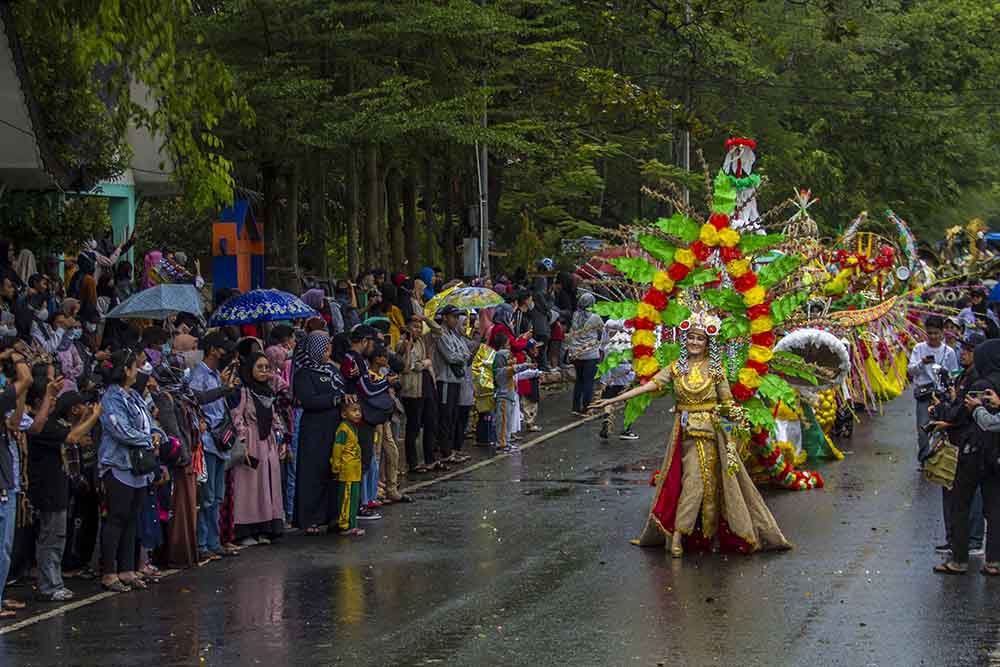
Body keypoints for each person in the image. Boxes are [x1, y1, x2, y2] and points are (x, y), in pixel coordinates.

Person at [592, 309, 791, 557]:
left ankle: (709, 535)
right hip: (686, 437)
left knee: (715, 486)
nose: (695, 342)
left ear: (708, 343)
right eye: (691, 338)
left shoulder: (716, 370)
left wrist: (742, 421)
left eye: (700, 338)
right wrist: (614, 400)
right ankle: (678, 535)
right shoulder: (677, 368)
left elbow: (728, 402)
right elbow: (650, 385)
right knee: (693, 484)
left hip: (713, 437)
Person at [29, 391, 101, 601]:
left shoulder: (56, 424)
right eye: (50, 397)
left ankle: (54, 582)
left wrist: (85, 418)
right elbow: (72, 437)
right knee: (51, 539)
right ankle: (49, 586)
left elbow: (72, 432)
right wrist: (94, 417)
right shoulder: (45, 426)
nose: (53, 401)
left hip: (58, 489)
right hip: (48, 490)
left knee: (57, 537)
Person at [936, 339, 1000, 575]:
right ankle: (994, 562)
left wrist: (942, 411)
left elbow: (960, 414)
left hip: (973, 452)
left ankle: (959, 559)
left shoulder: (981, 385)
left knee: (960, 504)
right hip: (996, 455)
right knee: (995, 508)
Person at [98, 348, 156, 592]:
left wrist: (157, 434)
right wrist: (147, 439)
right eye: (135, 366)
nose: (139, 370)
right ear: (125, 370)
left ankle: (127, 569)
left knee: (132, 518)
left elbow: (149, 422)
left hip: (137, 465)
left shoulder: (133, 395)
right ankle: (109, 572)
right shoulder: (111, 398)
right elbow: (119, 429)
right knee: (116, 518)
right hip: (118, 463)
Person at [927, 331, 986, 559]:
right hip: (957, 440)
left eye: (969, 350)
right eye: (963, 349)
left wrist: (946, 416)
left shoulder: (978, 380)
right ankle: (955, 539)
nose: (963, 353)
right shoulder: (964, 375)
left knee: (971, 494)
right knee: (953, 490)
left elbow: (963, 412)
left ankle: (972, 541)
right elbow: (957, 405)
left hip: (970, 443)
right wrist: (944, 405)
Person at [189, 333, 241, 561]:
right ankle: (202, 544)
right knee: (207, 497)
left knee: (218, 496)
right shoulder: (198, 374)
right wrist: (223, 388)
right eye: (222, 349)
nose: (224, 353)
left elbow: (227, 403)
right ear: (212, 350)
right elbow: (197, 398)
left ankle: (214, 541)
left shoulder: (218, 375)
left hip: (221, 441)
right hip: (207, 441)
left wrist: (230, 386)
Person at [230, 352, 285, 546]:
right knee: (250, 486)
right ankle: (246, 531)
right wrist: (242, 440)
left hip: (268, 442)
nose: (264, 371)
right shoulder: (244, 391)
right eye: (259, 367)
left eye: (266, 367)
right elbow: (237, 416)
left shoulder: (268, 391)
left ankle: (265, 528)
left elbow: (274, 416)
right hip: (252, 442)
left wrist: (281, 437)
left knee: (267, 485)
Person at [292, 329, 343, 534]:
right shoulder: (304, 373)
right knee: (313, 474)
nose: (328, 352)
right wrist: (334, 399)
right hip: (315, 429)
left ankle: (333, 517)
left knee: (333, 472)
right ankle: (309, 519)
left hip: (334, 427)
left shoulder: (331, 370)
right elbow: (308, 400)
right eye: (325, 348)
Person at [0, 347, 33, 618]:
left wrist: (19, 394)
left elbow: (15, 422)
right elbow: (26, 378)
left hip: (6, 479)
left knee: (5, 547)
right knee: (1, 547)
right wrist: (17, 357)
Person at [908, 316, 958, 462]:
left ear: (942, 332)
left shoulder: (949, 352)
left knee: (942, 428)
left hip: (942, 396)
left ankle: (941, 461)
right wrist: (922, 363)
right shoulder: (919, 348)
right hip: (924, 395)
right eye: (930, 333)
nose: (933, 336)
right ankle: (924, 459)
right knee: (923, 429)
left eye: (936, 333)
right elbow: (911, 370)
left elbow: (954, 373)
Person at [397, 314, 439, 473]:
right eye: (415, 327)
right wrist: (423, 363)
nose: (418, 330)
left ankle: (429, 459)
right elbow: (407, 366)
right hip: (412, 390)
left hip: (426, 386)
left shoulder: (422, 340)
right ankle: (413, 463)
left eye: (420, 327)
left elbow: (438, 331)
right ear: (407, 327)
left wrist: (425, 319)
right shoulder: (402, 344)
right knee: (413, 426)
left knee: (430, 423)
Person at [433, 306, 473, 464]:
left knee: (453, 416)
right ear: (445, 317)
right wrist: (462, 356)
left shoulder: (454, 335)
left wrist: (462, 355)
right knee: (445, 416)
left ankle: (451, 450)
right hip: (444, 380)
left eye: (457, 317)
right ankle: (445, 452)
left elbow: (466, 352)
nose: (455, 320)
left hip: (456, 381)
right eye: (453, 317)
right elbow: (450, 356)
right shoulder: (441, 335)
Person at [565, 292, 604, 416]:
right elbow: (602, 332)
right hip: (590, 353)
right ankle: (586, 407)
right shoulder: (595, 317)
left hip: (576, 353)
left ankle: (575, 407)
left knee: (579, 380)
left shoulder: (575, 315)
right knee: (589, 381)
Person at [599, 322, 638, 441]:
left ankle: (607, 419)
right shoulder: (631, 331)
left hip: (610, 371)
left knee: (608, 398)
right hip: (626, 372)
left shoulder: (609, 339)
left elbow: (602, 351)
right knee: (630, 402)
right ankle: (626, 429)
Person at [331, 402, 365, 537]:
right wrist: (336, 466)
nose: (358, 413)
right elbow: (337, 448)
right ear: (344, 414)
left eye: (359, 411)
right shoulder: (343, 429)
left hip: (355, 470)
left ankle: (353, 524)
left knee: (354, 499)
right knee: (347, 499)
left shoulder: (353, 428)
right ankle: (345, 525)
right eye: (354, 410)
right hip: (347, 470)